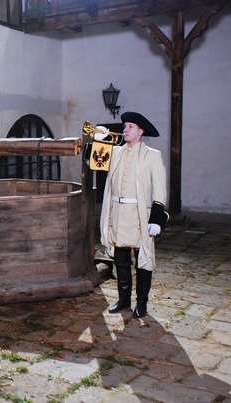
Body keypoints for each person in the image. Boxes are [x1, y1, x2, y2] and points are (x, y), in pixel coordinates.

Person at [99, 111, 168, 318]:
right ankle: (123, 299)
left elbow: (159, 189)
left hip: (140, 216)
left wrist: (156, 217)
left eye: (130, 127)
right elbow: (95, 163)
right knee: (120, 259)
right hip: (118, 214)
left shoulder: (152, 155)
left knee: (143, 260)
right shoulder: (116, 152)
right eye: (125, 126)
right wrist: (97, 142)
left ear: (140, 131)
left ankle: (142, 304)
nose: (125, 130)